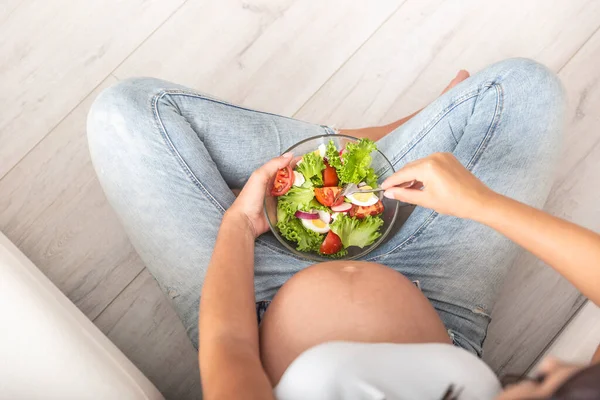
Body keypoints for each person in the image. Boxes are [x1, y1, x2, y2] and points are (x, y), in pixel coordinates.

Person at [87, 58, 600, 399]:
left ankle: (363, 154)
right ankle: (367, 157)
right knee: (526, 89)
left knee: (127, 115)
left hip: (252, 294)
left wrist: (240, 225)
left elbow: (229, 345)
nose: (550, 361)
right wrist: (481, 205)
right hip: (441, 292)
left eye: (536, 381)